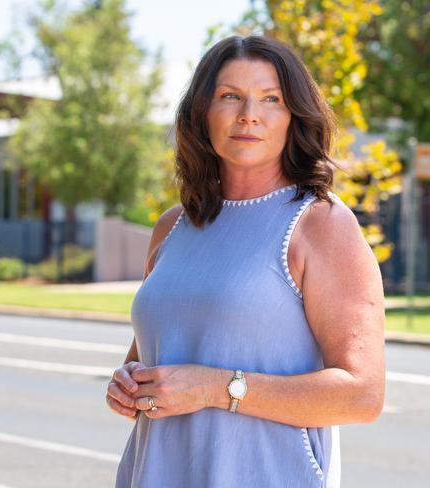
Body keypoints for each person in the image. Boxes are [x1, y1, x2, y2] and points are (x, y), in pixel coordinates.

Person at [107, 34, 385, 488]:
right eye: (230, 96)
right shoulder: (172, 226)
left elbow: (362, 395)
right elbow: (161, 355)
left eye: (270, 98)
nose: (249, 114)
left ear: (293, 115)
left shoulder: (320, 224)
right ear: (202, 115)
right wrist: (129, 382)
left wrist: (216, 388)